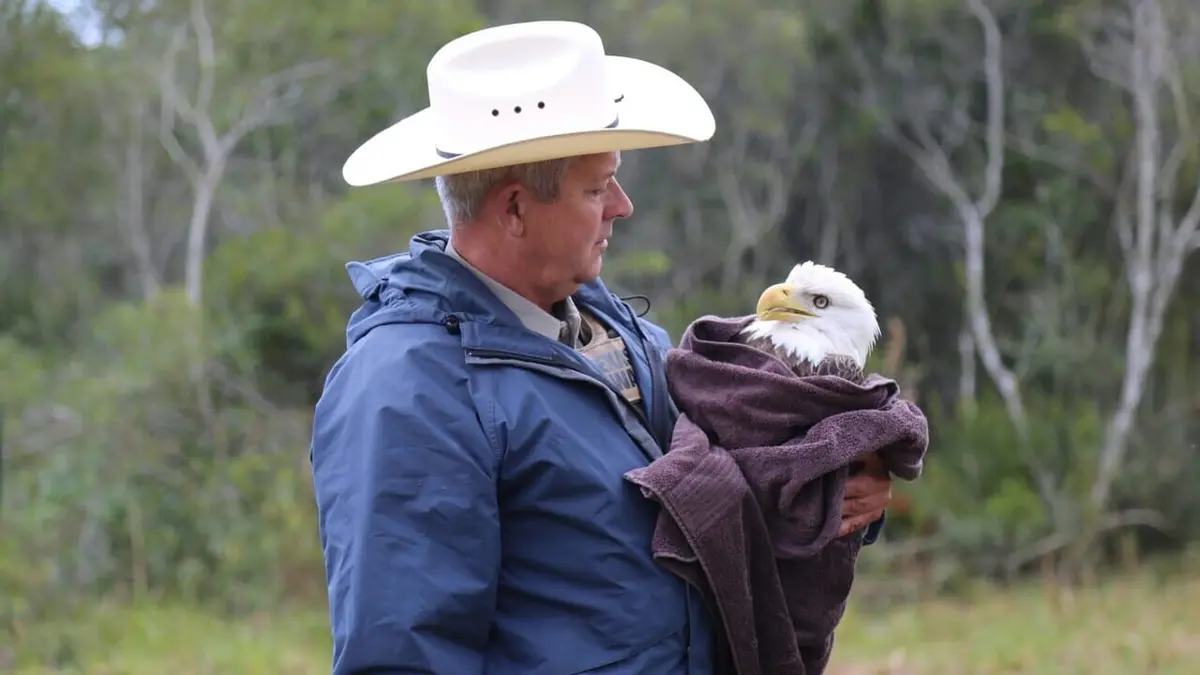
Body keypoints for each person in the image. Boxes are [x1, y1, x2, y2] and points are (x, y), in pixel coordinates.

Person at [310, 20, 893, 675]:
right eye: (597, 187)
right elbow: (403, 655)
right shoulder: (407, 390)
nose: (623, 205)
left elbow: (718, 495)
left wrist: (839, 488)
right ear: (514, 210)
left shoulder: (627, 335)